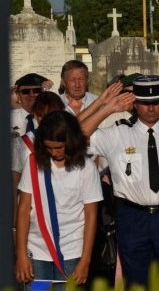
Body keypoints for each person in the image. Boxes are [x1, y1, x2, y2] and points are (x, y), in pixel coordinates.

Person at [79, 75, 159, 285]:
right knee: (135, 281)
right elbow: (76, 136)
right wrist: (107, 108)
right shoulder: (117, 133)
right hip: (133, 217)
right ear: (135, 103)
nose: (151, 108)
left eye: (155, 102)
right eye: (145, 103)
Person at [15, 111, 103, 289]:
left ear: (71, 142)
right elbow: (23, 209)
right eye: (49, 148)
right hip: (36, 252)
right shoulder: (33, 163)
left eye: (59, 147)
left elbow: (91, 216)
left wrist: (85, 261)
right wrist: (21, 254)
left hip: (73, 253)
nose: (54, 153)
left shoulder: (86, 168)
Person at [12, 92, 65, 234]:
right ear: (35, 115)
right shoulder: (21, 144)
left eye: (53, 116)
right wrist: (14, 223)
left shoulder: (70, 141)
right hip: (33, 216)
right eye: (43, 116)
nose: (48, 121)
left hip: (65, 213)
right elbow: (14, 185)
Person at [11, 73, 48, 137]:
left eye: (36, 90)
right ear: (18, 95)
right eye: (25, 91)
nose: (32, 95)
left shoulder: (52, 118)